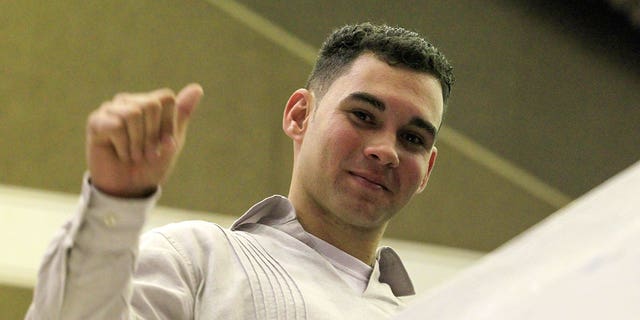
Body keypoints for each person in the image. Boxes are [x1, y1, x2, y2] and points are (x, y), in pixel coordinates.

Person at [26, 22, 454, 319]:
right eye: (363, 115)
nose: (386, 151)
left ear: (429, 169)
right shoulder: (199, 257)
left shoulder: (446, 312)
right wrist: (112, 205)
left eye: (413, 139)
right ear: (300, 115)